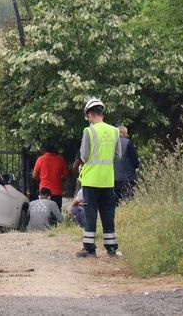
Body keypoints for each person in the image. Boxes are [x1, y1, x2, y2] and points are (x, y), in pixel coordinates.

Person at [76, 98, 122, 259]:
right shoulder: (115, 131)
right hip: (108, 180)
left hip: (91, 180)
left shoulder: (89, 131)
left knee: (90, 215)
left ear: (89, 115)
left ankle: (89, 249)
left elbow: (84, 155)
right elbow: (118, 155)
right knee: (108, 214)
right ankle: (111, 249)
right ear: (102, 113)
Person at [31, 144, 69, 210]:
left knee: (43, 211)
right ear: (55, 150)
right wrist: (59, 179)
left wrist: (41, 179)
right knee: (56, 214)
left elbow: (34, 175)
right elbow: (65, 176)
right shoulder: (60, 160)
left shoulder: (41, 159)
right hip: (57, 191)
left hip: (43, 191)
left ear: (45, 150)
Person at [114, 125, 140, 204]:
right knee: (127, 204)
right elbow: (135, 162)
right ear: (124, 133)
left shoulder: (110, 144)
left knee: (115, 205)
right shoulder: (128, 143)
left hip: (112, 180)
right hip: (127, 179)